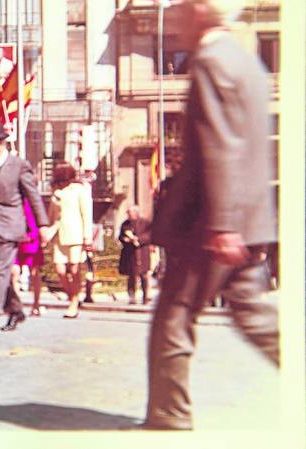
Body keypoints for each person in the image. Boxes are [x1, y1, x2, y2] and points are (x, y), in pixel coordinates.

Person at [144, 0, 278, 431]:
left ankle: (170, 418)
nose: (176, 16)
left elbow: (220, 146)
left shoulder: (211, 62)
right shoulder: (248, 63)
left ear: (201, 10)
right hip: (251, 221)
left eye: (181, 7)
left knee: (174, 320)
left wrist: (221, 225)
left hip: (212, 226)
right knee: (253, 314)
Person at [0, 121, 49, 336]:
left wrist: (42, 225)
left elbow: (34, 197)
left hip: (9, 227)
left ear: (1, 144)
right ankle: (15, 308)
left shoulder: (19, 166)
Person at [47, 162, 93, 318]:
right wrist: (47, 232)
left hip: (76, 235)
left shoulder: (80, 190)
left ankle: (74, 301)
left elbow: (86, 213)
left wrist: (87, 236)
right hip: (59, 235)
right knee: (60, 270)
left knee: (74, 269)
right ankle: (73, 294)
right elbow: (51, 215)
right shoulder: (56, 192)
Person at [11, 199, 44, 316]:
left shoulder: (33, 199)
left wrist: (37, 234)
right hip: (16, 238)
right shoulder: (14, 197)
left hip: (32, 239)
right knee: (14, 272)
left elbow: (40, 217)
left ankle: (36, 304)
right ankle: (16, 306)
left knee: (34, 272)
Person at [118, 205, 152, 305]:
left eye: (130, 213)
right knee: (131, 276)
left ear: (135, 213)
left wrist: (139, 239)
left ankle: (145, 296)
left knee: (144, 275)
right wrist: (126, 239)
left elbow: (149, 235)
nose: (128, 215)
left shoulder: (145, 223)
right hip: (130, 254)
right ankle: (132, 296)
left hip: (142, 253)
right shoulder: (125, 224)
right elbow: (121, 236)